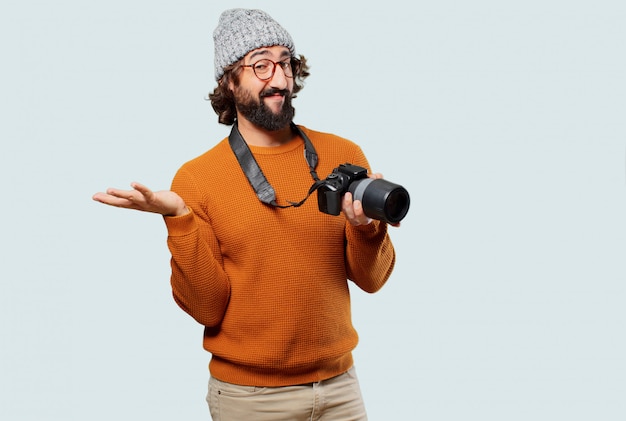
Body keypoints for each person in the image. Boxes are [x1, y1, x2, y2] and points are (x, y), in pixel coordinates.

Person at [93, 8, 399, 421]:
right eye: (260, 65)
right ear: (230, 81)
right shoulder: (197, 177)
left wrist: (366, 228)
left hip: (341, 388)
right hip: (251, 399)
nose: (278, 78)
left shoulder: (343, 155)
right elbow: (207, 309)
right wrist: (180, 217)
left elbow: (372, 280)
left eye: (285, 62)